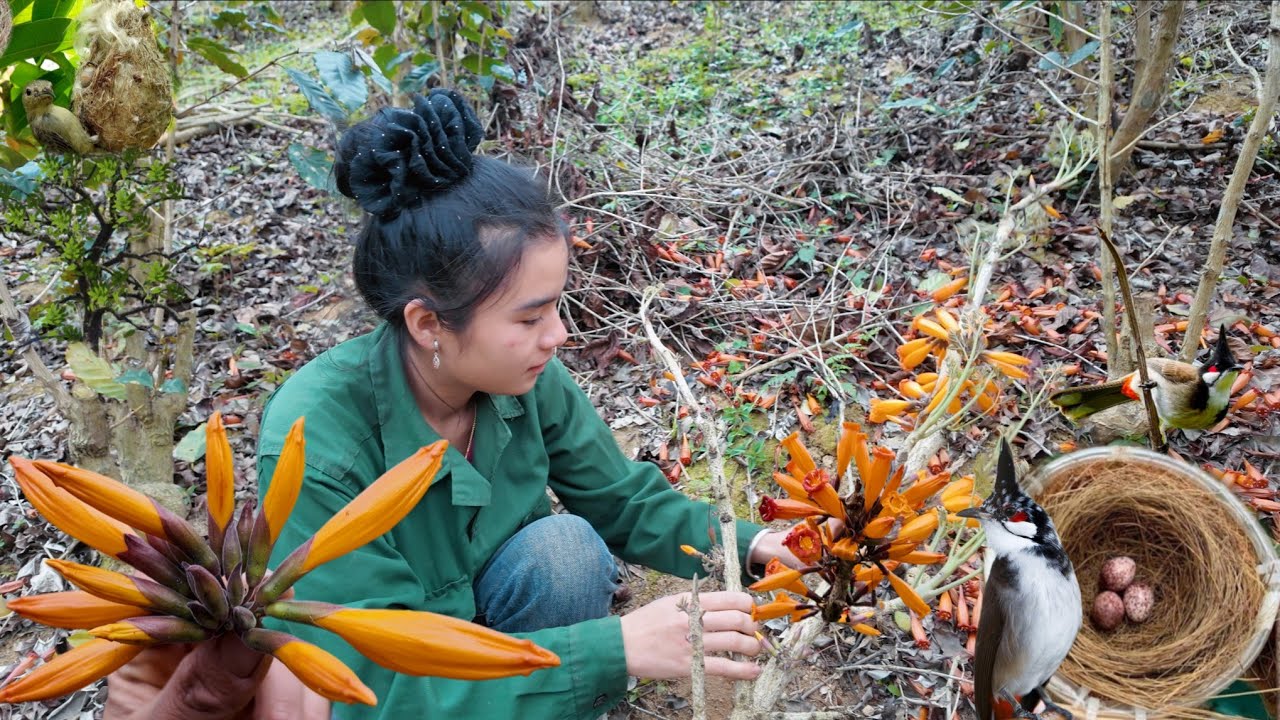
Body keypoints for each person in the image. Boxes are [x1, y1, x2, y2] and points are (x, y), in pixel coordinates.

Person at [105, 89, 803, 720]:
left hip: (493, 635)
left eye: (556, 308)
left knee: (566, 554)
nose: (558, 337)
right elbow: (374, 688)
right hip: (383, 686)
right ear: (428, 325)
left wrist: (756, 547)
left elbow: (624, 502)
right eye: (530, 319)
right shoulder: (317, 436)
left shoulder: (526, 381)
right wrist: (613, 650)